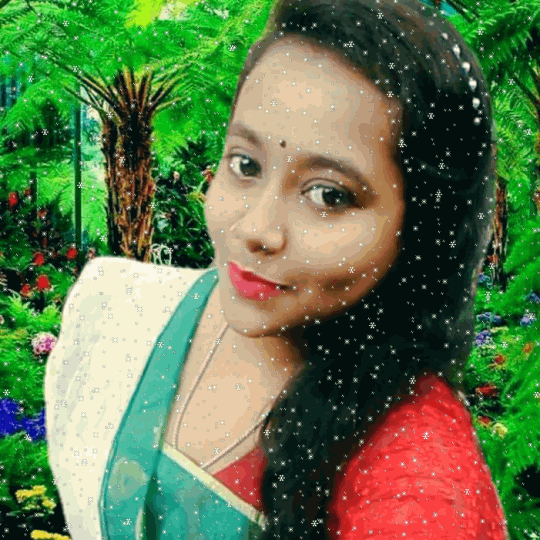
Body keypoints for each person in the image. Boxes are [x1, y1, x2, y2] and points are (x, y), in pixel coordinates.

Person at [44, 0, 510, 538]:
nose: (256, 229)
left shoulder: (416, 466)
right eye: (245, 164)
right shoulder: (123, 311)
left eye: (329, 195)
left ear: (423, 226)